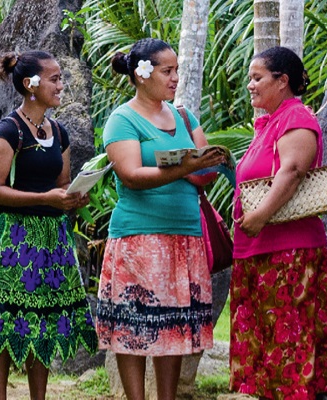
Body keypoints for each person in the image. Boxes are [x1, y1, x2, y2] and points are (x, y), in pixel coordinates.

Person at [94, 38, 225, 400]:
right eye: (167, 71)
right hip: (140, 237)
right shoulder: (122, 119)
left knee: (174, 327)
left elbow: (202, 171)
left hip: (185, 235)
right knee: (133, 325)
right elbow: (131, 174)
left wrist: (206, 165)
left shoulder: (184, 116)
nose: (175, 78)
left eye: (177, 70)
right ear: (141, 74)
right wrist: (184, 166)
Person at [0, 50, 98, 400]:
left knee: (43, 322)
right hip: (14, 240)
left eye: (60, 78)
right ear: (30, 84)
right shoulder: (8, 131)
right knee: (4, 320)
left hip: (53, 238)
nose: (61, 84)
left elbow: (63, 182)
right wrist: (46, 199)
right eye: (54, 78)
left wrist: (73, 198)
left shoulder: (60, 132)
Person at [229, 45, 327, 400]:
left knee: (289, 342)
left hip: (288, 250)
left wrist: (258, 216)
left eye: (257, 78)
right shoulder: (269, 123)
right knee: (265, 341)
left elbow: (291, 171)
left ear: (282, 81)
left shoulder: (297, 117)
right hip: (258, 247)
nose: (251, 86)